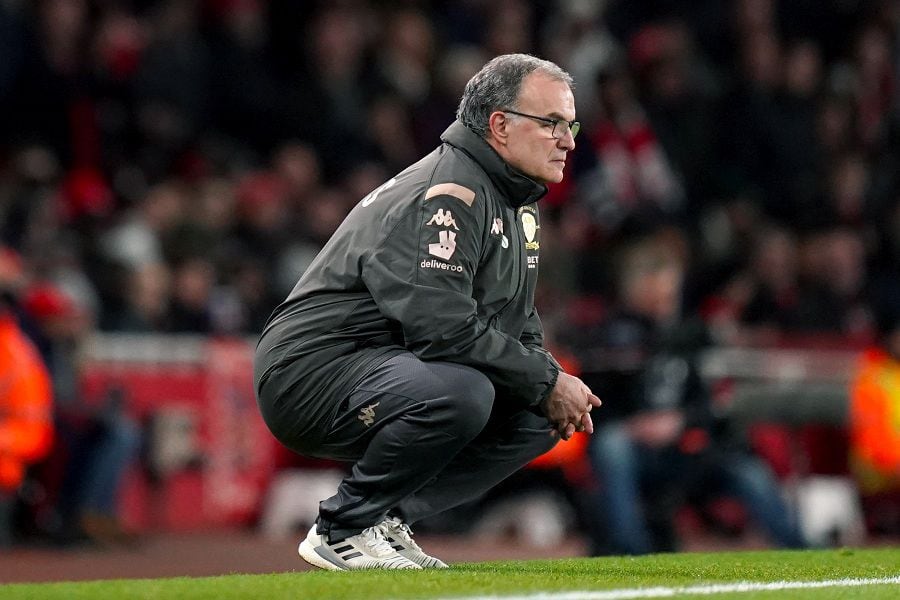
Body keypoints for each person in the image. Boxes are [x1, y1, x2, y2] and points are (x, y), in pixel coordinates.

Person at [254, 53, 602, 571]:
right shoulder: (449, 194)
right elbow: (441, 329)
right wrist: (547, 378)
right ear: (500, 126)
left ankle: (383, 520)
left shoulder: (513, 200)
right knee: (467, 391)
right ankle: (343, 528)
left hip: (379, 366)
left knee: (540, 411)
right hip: (310, 372)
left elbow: (518, 323)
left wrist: (548, 382)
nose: (568, 140)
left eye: (569, 124)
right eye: (552, 123)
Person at [571, 235, 807, 555]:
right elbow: (590, 399)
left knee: (746, 467)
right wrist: (634, 426)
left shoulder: (694, 334)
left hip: (688, 445)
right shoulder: (609, 336)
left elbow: (717, 402)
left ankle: (798, 545)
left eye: (669, 285)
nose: (664, 294)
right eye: (654, 284)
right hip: (636, 445)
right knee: (612, 444)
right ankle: (629, 548)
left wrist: (681, 421)